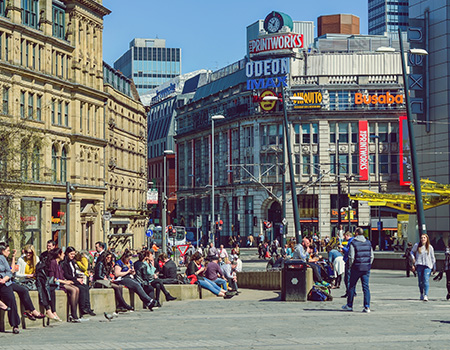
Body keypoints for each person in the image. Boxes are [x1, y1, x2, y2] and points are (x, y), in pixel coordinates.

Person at [10, 245, 46, 321]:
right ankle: (33, 311)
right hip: (22, 280)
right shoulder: (21, 259)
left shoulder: (36, 259)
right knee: (24, 290)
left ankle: (28, 311)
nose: (28, 254)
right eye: (26, 252)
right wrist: (27, 275)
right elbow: (16, 274)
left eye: (30, 253)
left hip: (33, 281)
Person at [342, 227, 374, 313]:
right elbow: (372, 256)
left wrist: (351, 265)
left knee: (352, 286)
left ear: (356, 233)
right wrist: (368, 264)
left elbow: (351, 256)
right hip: (366, 268)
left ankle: (349, 305)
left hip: (356, 267)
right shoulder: (368, 242)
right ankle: (367, 306)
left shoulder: (353, 242)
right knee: (366, 287)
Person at [47, 248, 81, 322]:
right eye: (62, 254)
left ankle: (74, 313)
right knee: (73, 290)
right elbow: (53, 278)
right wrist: (65, 282)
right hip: (57, 284)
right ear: (58, 255)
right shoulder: (53, 262)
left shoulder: (58, 263)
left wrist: (66, 281)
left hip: (61, 282)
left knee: (77, 289)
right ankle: (73, 314)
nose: (64, 255)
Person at [61, 246, 95, 317]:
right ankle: (82, 308)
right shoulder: (64, 263)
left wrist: (79, 278)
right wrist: (76, 279)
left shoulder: (72, 262)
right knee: (81, 288)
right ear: (67, 253)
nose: (73, 256)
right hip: (69, 280)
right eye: (71, 254)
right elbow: (66, 275)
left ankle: (87, 307)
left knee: (86, 287)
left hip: (74, 279)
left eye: (74, 254)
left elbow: (74, 273)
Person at [0, 243, 21, 333]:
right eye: (7, 250)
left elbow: (9, 271)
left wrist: (4, 279)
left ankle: (15, 324)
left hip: (4, 283)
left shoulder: (3, 259)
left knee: (11, 300)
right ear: (2, 250)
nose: (8, 252)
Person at [411, 234, 436, 301]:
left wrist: (434, 267)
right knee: (420, 281)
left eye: (424, 238)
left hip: (428, 265)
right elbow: (412, 252)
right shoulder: (417, 245)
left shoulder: (430, 247)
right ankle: (421, 293)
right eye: (422, 238)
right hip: (419, 265)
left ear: (427, 239)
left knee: (426, 279)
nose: (423, 239)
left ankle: (426, 295)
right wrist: (413, 259)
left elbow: (433, 257)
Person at [341, 231, 354, 298]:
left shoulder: (350, 241)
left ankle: (350, 292)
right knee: (349, 278)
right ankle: (351, 292)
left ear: (348, 235)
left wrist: (342, 247)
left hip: (348, 261)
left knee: (347, 278)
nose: (344, 237)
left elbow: (349, 251)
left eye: (345, 236)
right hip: (349, 260)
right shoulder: (352, 241)